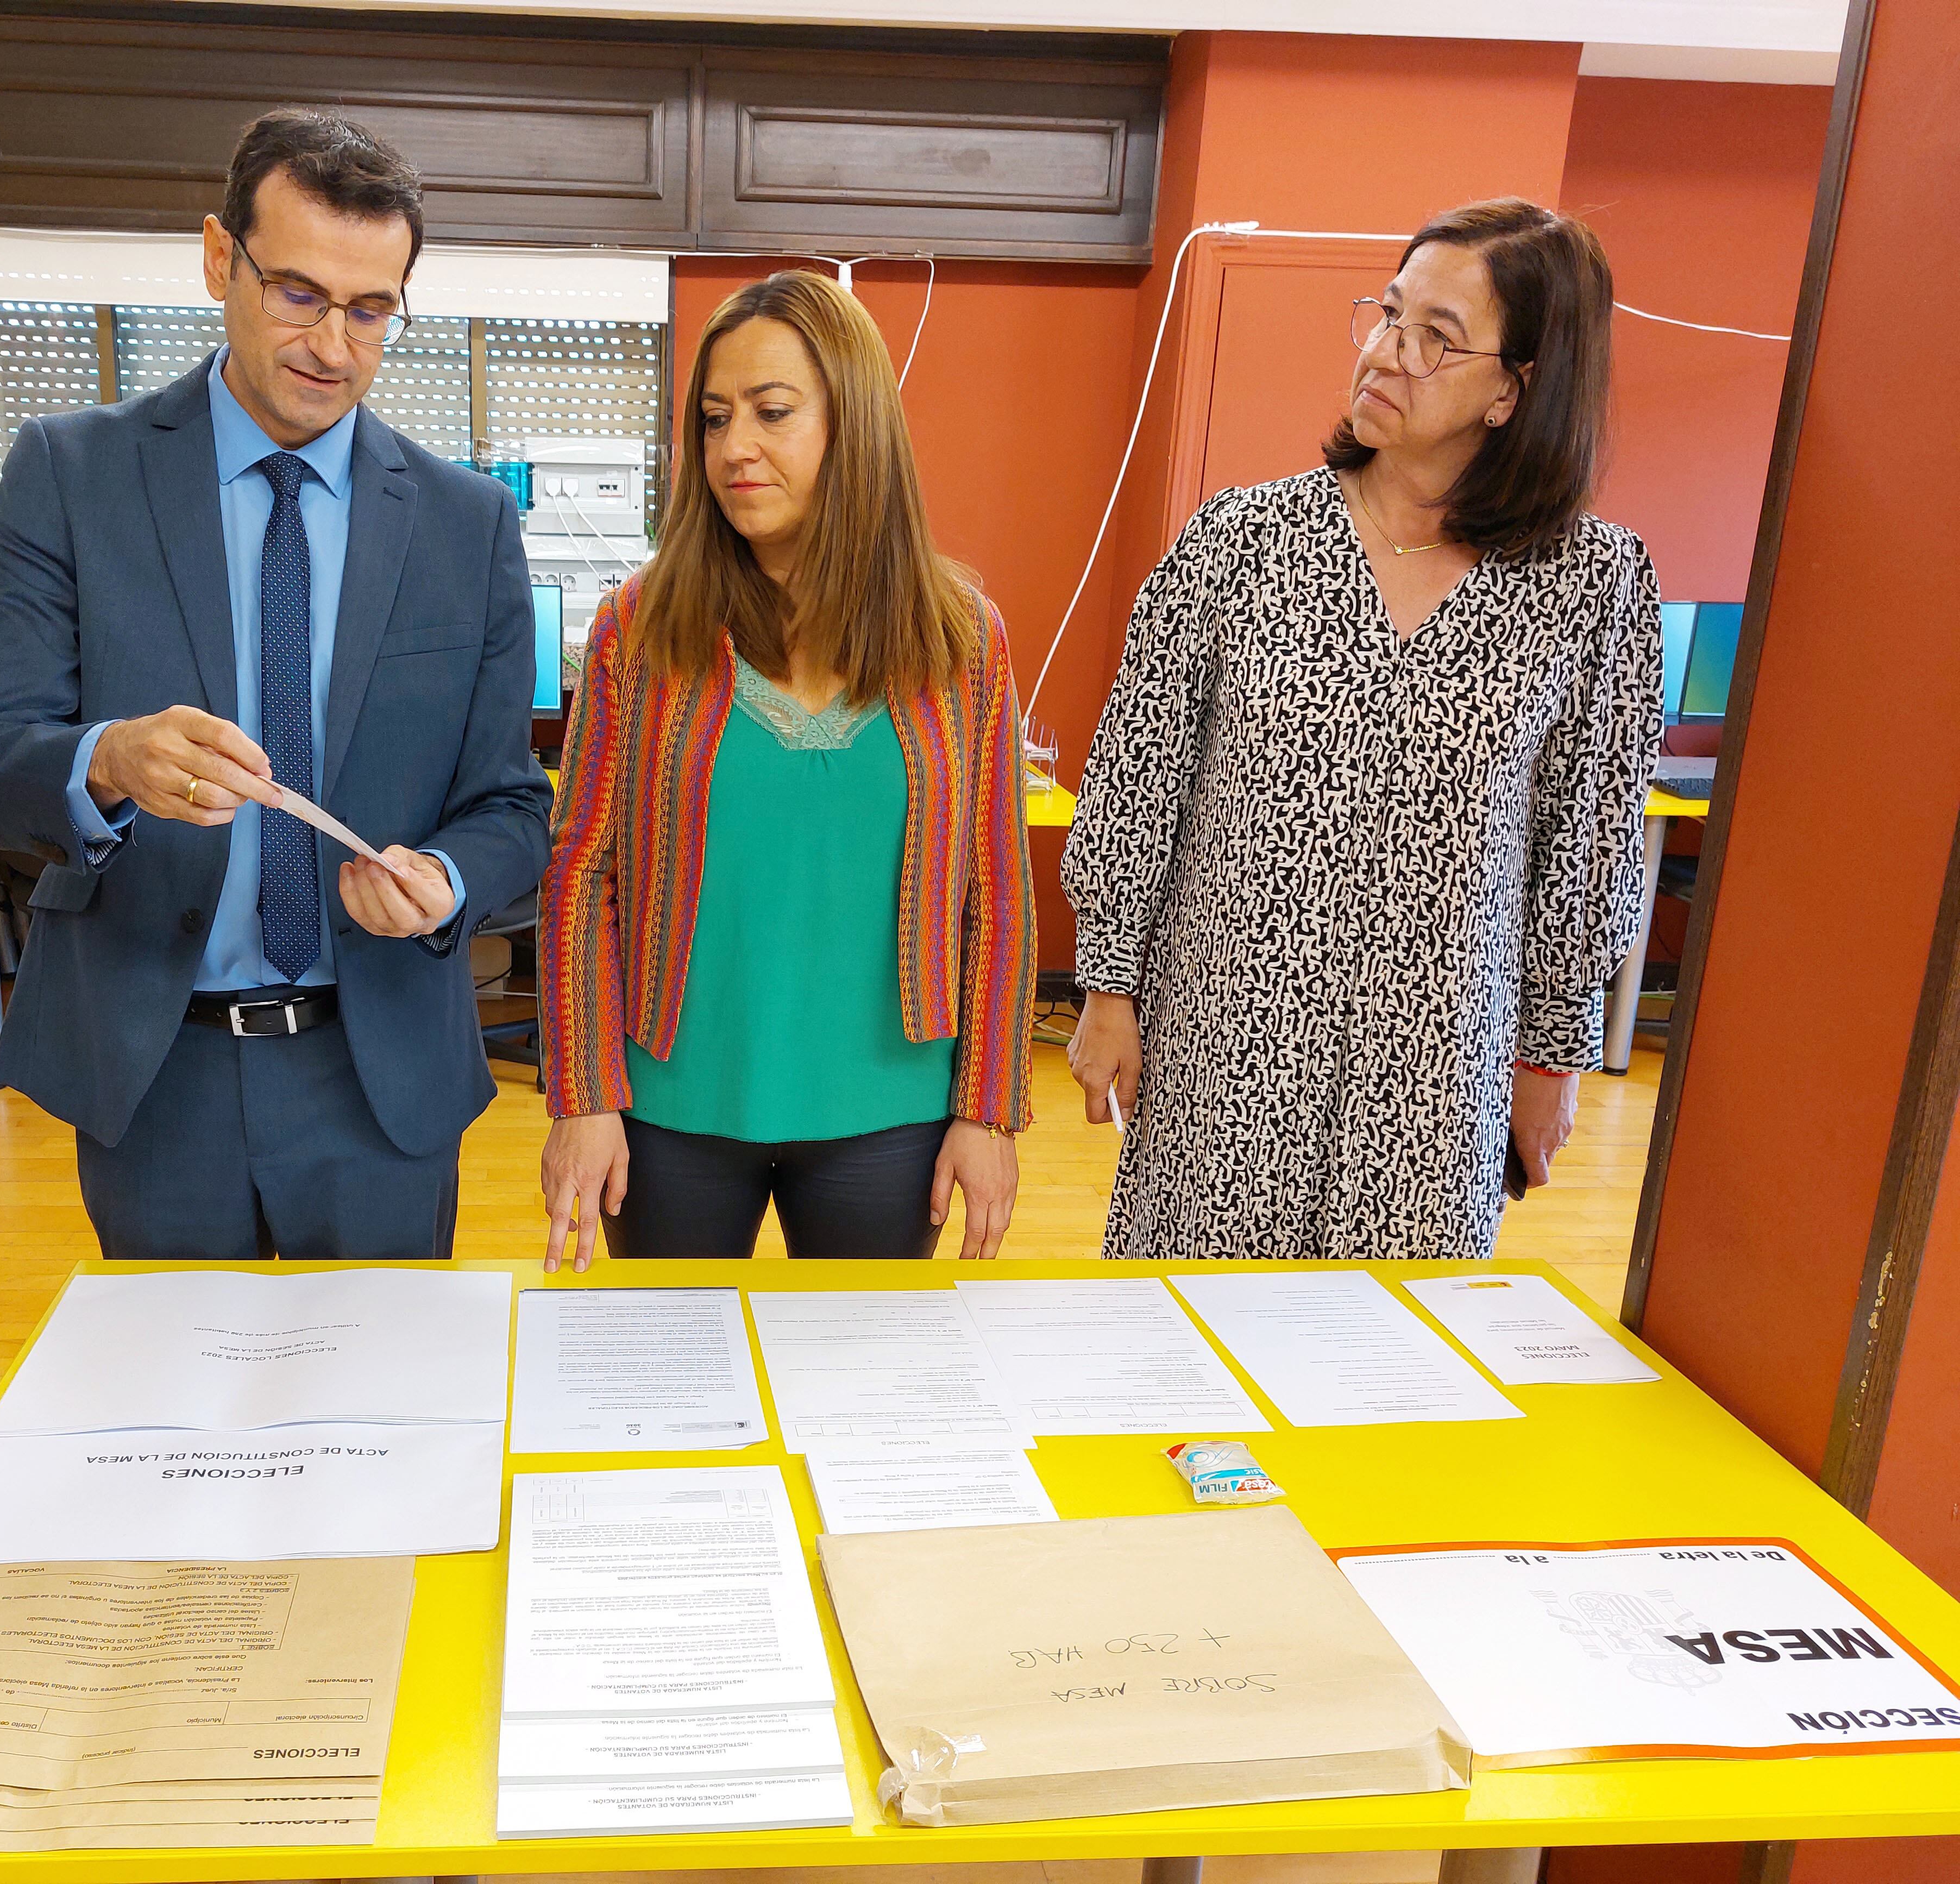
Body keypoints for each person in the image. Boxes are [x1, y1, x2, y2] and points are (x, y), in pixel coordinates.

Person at [0, 108, 551, 1260]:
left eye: (371, 311)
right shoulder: (70, 474)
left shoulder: (466, 526)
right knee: (175, 1422)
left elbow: (512, 805)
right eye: (299, 294)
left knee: (381, 1411)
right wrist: (105, 761)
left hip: (379, 1077)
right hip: (154, 1067)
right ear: (221, 259)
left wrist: (448, 876)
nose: (332, 344)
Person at [1061, 198, 1661, 1264]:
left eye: (1436, 337)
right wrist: (1107, 987)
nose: (1387, 352)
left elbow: (1587, 852)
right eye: (1388, 315)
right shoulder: (1240, 540)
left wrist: (1552, 1060)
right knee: (1187, 1361)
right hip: (1227, 1040)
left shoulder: (1594, 585)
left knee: (1382, 1380)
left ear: (1511, 391)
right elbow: (1136, 774)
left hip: (1434, 1075)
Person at [537, 270, 1035, 1271]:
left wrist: (989, 1109)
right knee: (675, 1395)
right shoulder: (639, 631)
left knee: (863, 1399)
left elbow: (996, 891)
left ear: (854, 424)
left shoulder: (960, 641)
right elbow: (581, 870)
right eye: (715, 419)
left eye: (772, 413)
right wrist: (583, 1096)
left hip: (892, 1116)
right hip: (672, 1109)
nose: (734, 449)